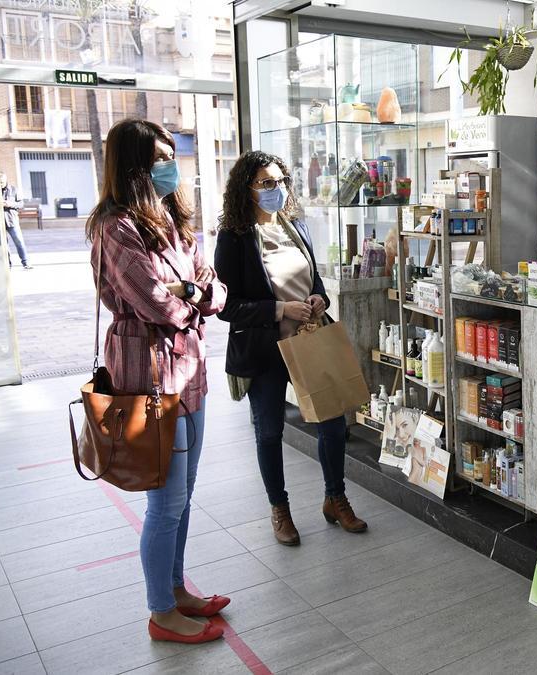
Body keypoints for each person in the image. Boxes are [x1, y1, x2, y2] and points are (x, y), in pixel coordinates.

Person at [87, 119, 229, 644]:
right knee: (165, 502)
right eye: (160, 158)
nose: (171, 166)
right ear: (134, 167)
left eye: (172, 155)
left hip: (190, 374)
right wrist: (192, 297)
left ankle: (176, 589)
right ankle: (160, 610)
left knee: (184, 496)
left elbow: (216, 291)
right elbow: (156, 303)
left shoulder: (172, 220)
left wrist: (189, 291)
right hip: (146, 378)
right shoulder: (116, 226)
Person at [214, 150, 367, 547]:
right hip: (264, 350)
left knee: (332, 426)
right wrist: (281, 308)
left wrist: (319, 300)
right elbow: (226, 307)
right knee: (269, 431)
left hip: (309, 341)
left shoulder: (295, 225)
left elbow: (313, 281)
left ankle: (336, 498)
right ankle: (279, 510)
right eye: (266, 183)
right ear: (245, 189)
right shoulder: (234, 237)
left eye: (281, 181)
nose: (276, 190)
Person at [0, 174, 32, 269]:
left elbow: (21, 204)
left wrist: (10, 204)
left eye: (2, 182)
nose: (0, 184)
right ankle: (7, 264)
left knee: (19, 241)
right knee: (3, 244)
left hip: (11, 220)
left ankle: (25, 262)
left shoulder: (14, 189)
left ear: (5, 180)